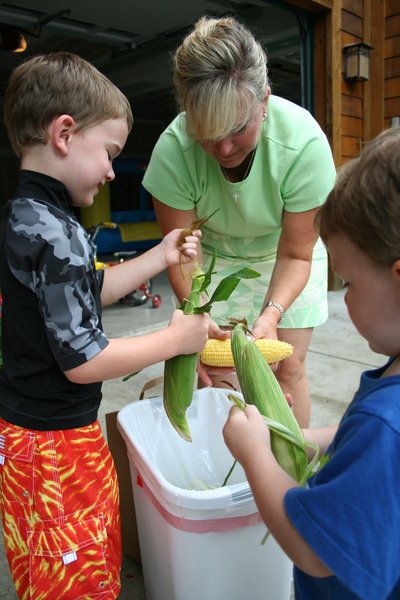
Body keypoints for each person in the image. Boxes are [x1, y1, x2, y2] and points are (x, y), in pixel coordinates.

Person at [0, 52, 209, 600]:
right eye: (110, 153)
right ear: (65, 134)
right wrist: (175, 339)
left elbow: (83, 292)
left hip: (23, 438)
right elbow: (83, 360)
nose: (114, 171)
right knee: (76, 569)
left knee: (41, 560)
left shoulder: (25, 216)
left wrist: (161, 255)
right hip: (58, 445)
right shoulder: (59, 232)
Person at [223, 127, 400, 599]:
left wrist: (256, 453)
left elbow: (313, 552)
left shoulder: (385, 424)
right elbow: (368, 444)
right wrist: (305, 440)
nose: (346, 299)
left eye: (351, 283)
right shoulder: (389, 397)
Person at [142, 15, 337, 427]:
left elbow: (296, 253)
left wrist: (272, 314)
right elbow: (182, 253)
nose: (224, 147)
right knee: (217, 375)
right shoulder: (173, 150)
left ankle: (290, 460)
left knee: (288, 368)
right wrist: (198, 315)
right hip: (210, 259)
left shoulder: (303, 144)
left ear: (264, 101)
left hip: (286, 254)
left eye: (236, 127)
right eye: (206, 131)